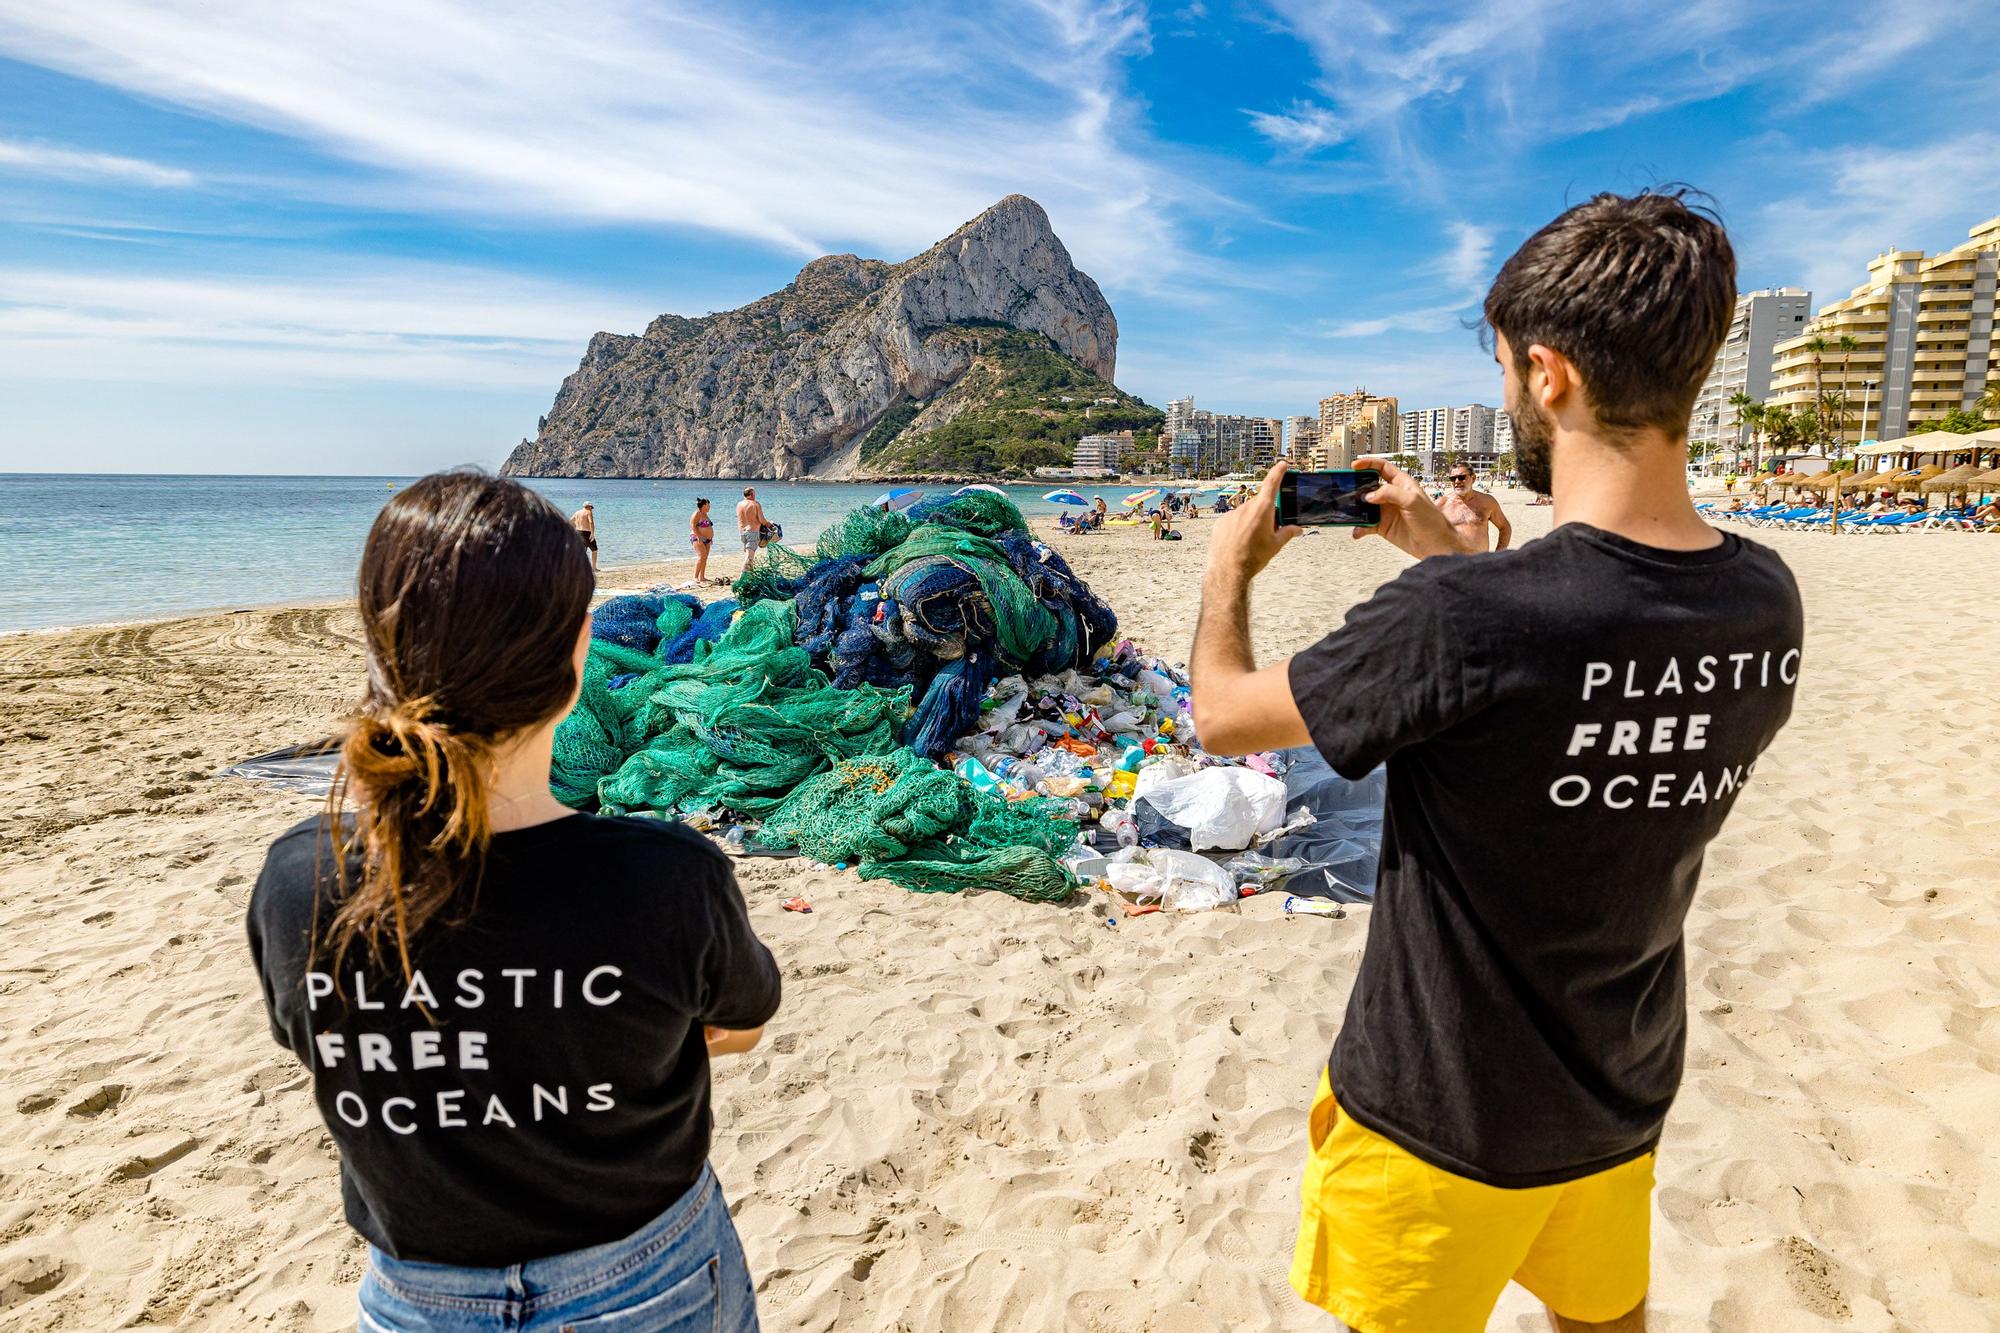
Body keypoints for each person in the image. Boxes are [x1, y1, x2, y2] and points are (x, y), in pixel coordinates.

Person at [1188, 190, 1801, 1333]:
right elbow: (1569, 665)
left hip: (1436, 1121)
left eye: (1512, 373)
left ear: (1549, 373)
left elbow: (1221, 718)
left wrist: (1228, 570)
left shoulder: (1464, 617)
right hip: (1613, 1093)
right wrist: (1440, 557)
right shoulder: (1763, 599)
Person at [247, 471, 780, 1332]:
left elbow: (322, 1045)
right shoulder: (666, 878)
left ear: (386, 653)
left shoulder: (298, 886)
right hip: (651, 1285)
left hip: (419, 1301)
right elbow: (744, 1024)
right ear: (579, 657)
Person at [1438, 467, 1513, 551]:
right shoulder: (1441, 504)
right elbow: (1427, 534)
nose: (1457, 481)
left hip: (1480, 562)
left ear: (1473, 478)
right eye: (1452, 478)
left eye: (1461, 477)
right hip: (1452, 562)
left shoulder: (1487, 502)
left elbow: (1505, 527)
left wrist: (1499, 554)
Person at [736, 486, 767, 574]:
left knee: (748, 554)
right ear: (751, 494)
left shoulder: (739, 504)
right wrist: (769, 525)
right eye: (754, 493)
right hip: (752, 532)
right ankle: (743, 577)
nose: (755, 495)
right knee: (749, 557)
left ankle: (749, 574)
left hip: (742, 532)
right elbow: (762, 520)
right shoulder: (755, 504)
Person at [691, 497, 716, 584]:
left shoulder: (705, 514)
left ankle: (702, 577)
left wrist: (710, 537)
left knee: (705, 558)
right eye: (708, 505)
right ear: (704, 505)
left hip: (707, 540)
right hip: (697, 537)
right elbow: (693, 526)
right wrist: (698, 537)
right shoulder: (697, 513)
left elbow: (708, 527)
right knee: (701, 556)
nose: (709, 507)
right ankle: (695, 577)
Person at [569, 501, 598, 573]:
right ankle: (593, 568)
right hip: (587, 533)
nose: (591, 509)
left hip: (578, 533)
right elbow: (591, 522)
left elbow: (570, 521)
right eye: (591, 507)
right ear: (588, 506)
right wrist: (592, 533)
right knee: (594, 550)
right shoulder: (588, 512)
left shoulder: (577, 512)